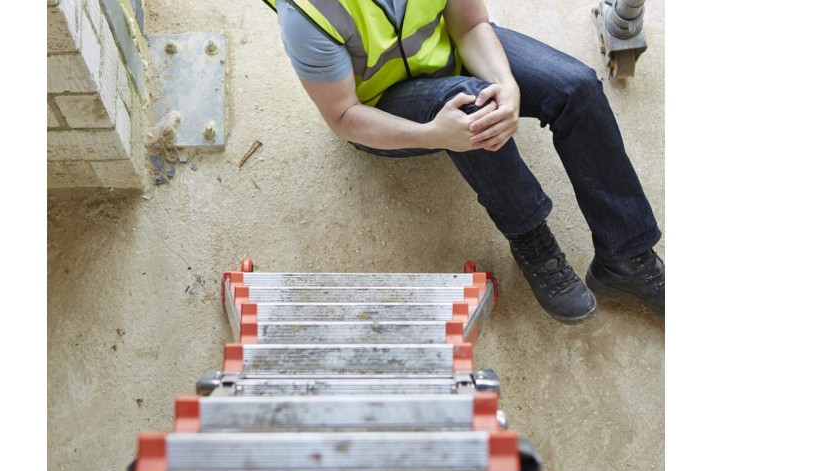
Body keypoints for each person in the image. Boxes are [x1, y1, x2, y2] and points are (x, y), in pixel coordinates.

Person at [263, 0, 664, 323]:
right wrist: (432, 134)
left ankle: (625, 256)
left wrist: (507, 85)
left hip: (448, 52)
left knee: (575, 88)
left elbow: (470, 25)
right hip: (383, 107)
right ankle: (530, 237)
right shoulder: (307, 12)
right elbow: (343, 116)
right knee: (474, 107)